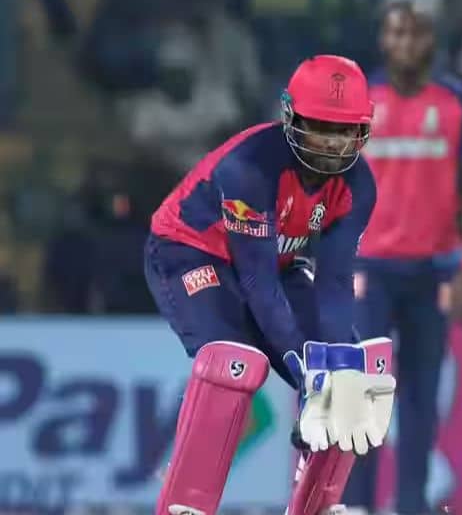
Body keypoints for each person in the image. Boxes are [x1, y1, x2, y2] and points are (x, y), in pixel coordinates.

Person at [145, 54, 396, 515]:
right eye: (320, 127)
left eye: (344, 130)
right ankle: (187, 500)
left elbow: (335, 283)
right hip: (189, 252)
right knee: (231, 362)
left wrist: (332, 369)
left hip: (276, 262)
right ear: (291, 118)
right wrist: (308, 373)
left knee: (349, 370)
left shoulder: (359, 185)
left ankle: (318, 500)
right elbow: (256, 284)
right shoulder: (249, 167)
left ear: (362, 131)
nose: (332, 143)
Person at [343, 4, 462, 513]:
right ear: (383, 41)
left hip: (433, 270)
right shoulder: (358, 101)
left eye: (416, 34)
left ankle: (412, 505)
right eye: (396, 33)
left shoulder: (459, 103)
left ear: (431, 41)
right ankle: (356, 505)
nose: (406, 43)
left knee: (421, 399)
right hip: (368, 269)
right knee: (362, 389)